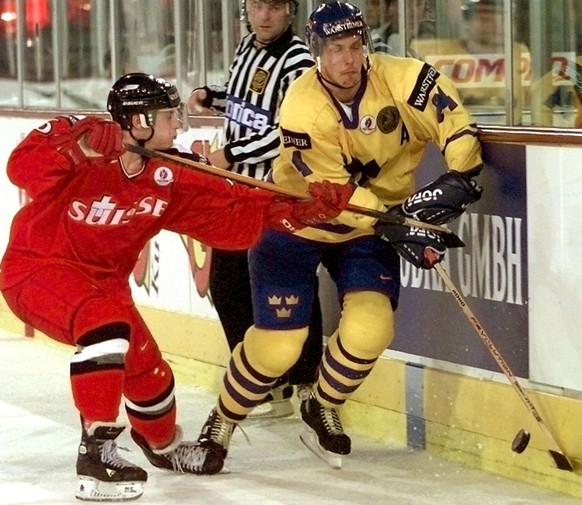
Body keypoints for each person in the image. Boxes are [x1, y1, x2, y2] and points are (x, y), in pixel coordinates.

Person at [0, 72, 346, 500]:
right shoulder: (88, 139)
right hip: (37, 270)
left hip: (103, 285)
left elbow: (232, 209)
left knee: (151, 373)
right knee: (107, 329)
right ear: (139, 120)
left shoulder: (170, 173)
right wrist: (79, 144)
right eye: (168, 115)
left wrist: (298, 210)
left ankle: (162, 447)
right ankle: (96, 449)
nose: (178, 122)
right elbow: (21, 167)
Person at [192, 1, 483, 473]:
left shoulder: (407, 77)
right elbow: (334, 194)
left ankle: (322, 403)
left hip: (369, 229)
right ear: (317, 52)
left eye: (355, 47)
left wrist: (460, 178)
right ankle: (222, 418)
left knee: (372, 329)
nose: (348, 59)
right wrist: (401, 221)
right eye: (335, 50)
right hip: (298, 224)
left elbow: (458, 127)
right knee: (279, 347)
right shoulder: (302, 104)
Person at [187, 0, 323, 418]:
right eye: (257, 6)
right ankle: (265, 382)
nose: (265, 16)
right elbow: (252, 103)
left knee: (287, 279)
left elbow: (291, 131)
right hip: (241, 191)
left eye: (275, 7)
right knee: (228, 282)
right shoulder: (247, 48)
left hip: (276, 190)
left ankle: (302, 382)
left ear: (291, 12)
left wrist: (233, 152)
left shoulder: (299, 61)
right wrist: (216, 98)